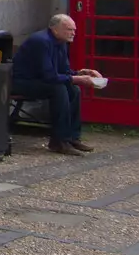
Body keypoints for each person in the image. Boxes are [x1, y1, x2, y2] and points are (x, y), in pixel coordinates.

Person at [11, 14, 102, 156]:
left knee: (74, 89)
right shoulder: (41, 41)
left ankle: (72, 137)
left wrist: (81, 73)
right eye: (69, 29)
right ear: (55, 30)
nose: (73, 33)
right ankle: (59, 141)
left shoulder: (61, 42)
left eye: (74, 30)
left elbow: (64, 71)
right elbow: (50, 76)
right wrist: (78, 78)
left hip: (40, 81)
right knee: (58, 89)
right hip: (21, 82)